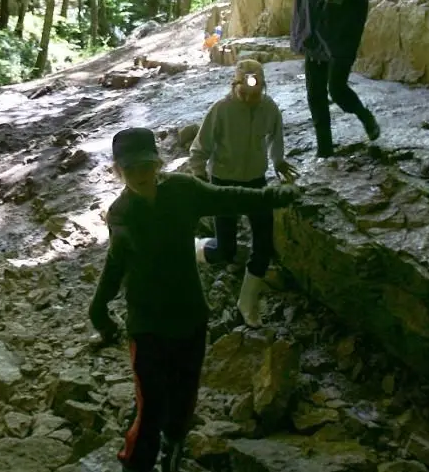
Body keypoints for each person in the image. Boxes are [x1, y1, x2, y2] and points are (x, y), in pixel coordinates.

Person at [91, 127, 297, 472]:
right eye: (130, 168)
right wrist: (99, 310)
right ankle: (136, 465)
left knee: (184, 398)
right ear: (118, 170)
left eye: (146, 165)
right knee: (150, 407)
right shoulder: (120, 213)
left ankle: (173, 451)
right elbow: (115, 264)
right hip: (147, 325)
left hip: (191, 316)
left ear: (158, 163)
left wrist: (273, 196)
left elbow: (228, 197)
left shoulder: (183, 191)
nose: (140, 174)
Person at [187, 60, 299, 327]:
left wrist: (278, 161)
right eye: (244, 93)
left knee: (263, 243)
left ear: (263, 88)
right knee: (224, 250)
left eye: (255, 94)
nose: (249, 99)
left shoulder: (269, 108)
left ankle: (247, 302)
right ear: (234, 86)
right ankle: (196, 247)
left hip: (255, 183)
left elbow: (275, 137)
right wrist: (199, 177)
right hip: (223, 183)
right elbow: (199, 148)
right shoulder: (221, 110)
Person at [277, 0, 381, 155]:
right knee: (315, 96)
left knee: (337, 90)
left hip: (340, 44)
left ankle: (365, 117)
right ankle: (324, 149)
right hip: (314, 42)